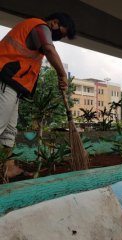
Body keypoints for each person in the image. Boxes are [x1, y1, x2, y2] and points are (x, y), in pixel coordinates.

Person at [0, 12, 76, 180]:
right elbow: (49, 48)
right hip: (3, 79)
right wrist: (62, 74)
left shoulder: (37, 34)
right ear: (54, 23)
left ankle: (8, 168)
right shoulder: (39, 26)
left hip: (13, 86)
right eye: (62, 33)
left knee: (9, 131)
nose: (59, 38)